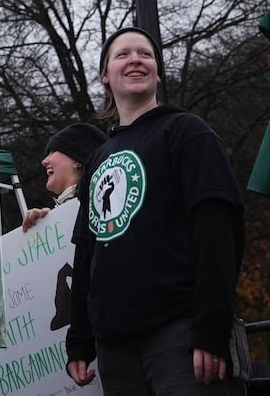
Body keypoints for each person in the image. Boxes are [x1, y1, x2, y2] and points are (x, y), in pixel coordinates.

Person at [65, 27, 245, 394]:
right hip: (114, 348)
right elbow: (87, 254)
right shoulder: (98, 159)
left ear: (158, 71)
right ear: (105, 74)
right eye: (123, 54)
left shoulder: (188, 133)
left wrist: (212, 327)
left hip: (181, 335)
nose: (135, 60)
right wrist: (80, 339)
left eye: (145, 54)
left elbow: (218, 232)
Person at [20, 122, 107, 232]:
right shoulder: (63, 213)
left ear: (77, 161)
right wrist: (44, 227)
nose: (44, 161)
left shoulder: (102, 210)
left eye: (53, 151)